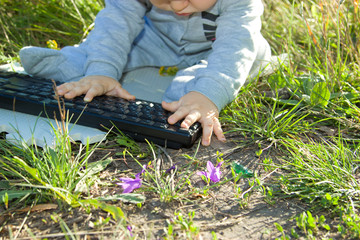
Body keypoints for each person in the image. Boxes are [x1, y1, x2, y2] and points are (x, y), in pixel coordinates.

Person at [19, 0, 272, 146]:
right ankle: (77, 65)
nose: (177, 5)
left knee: (233, 69)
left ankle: (192, 91)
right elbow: (117, 26)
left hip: (219, 50)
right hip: (156, 39)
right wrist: (103, 70)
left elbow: (235, 48)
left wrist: (209, 94)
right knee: (109, 51)